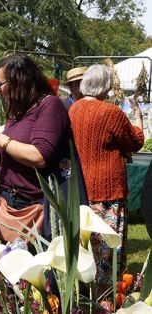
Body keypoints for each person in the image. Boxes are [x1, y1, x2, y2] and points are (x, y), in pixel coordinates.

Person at [0, 54, 70, 243]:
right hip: (9, 202)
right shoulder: (18, 110)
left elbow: (39, 156)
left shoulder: (50, 106)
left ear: (19, 80)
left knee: (33, 268)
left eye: (0, 83)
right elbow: (6, 158)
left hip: (35, 206)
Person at [69, 64, 144, 295]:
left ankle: (82, 294)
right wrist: (138, 116)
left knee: (85, 248)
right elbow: (136, 141)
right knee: (109, 250)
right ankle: (105, 298)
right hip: (108, 190)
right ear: (106, 87)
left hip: (82, 190)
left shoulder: (73, 110)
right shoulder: (111, 113)